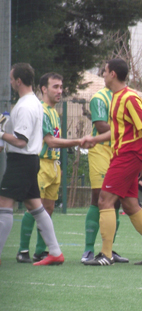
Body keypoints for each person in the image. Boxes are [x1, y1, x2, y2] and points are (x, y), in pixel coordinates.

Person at [80, 58, 142, 266]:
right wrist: (95, 139)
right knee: (130, 205)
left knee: (104, 201)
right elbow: (117, 132)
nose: (103, 75)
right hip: (124, 155)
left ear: (113, 74)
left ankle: (106, 255)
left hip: (128, 156)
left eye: (105, 71)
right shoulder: (117, 98)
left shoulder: (129, 98)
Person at [0, 63, 64, 266]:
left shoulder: (27, 105)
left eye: (11, 79)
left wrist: (1, 133)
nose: (10, 82)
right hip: (29, 161)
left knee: (4, 205)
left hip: (21, 161)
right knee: (35, 206)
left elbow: (21, 141)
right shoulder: (32, 103)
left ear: (18, 81)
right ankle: (55, 252)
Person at [15, 73, 82, 264]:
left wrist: (58, 164)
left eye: (61, 87)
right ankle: (23, 250)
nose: (60, 91)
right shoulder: (42, 110)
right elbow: (50, 142)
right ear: (44, 89)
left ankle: (40, 251)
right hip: (41, 164)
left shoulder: (54, 111)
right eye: (55, 87)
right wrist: (77, 141)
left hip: (53, 165)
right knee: (34, 208)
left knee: (49, 208)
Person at [80, 85, 128, 263]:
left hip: (120, 151)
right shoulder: (99, 98)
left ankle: (107, 250)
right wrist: (126, 131)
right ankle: (88, 250)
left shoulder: (127, 97)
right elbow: (101, 126)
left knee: (115, 202)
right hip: (100, 150)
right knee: (99, 197)